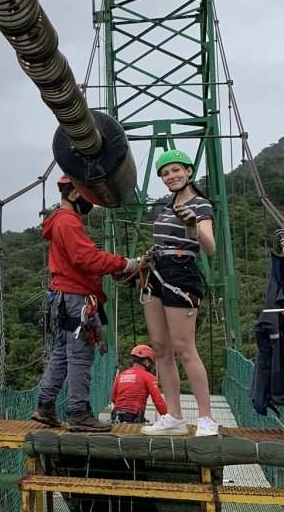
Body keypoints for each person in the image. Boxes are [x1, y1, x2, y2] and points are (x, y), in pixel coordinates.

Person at [32, 176, 140, 433]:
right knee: (80, 355)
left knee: (61, 353)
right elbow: (87, 258)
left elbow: (81, 259)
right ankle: (79, 413)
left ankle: (45, 406)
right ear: (74, 194)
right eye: (87, 195)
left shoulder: (59, 221)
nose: (90, 201)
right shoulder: (68, 221)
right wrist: (124, 263)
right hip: (76, 297)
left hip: (62, 297)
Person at [140, 149, 220, 437]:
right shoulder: (166, 207)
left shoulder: (201, 205)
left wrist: (192, 227)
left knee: (185, 349)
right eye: (165, 173)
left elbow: (210, 247)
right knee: (161, 348)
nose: (171, 176)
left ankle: (207, 419)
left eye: (176, 170)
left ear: (188, 171)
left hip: (181, 272)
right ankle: (174, 416)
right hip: (155, 272)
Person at [110, 344, 168, 424]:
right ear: (146, 362)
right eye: (151, 362)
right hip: (133, 417)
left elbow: (113, 398)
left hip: (115, 416)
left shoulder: (120, 375)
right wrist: (168, 418)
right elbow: (158, 401)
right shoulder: (148, 376)